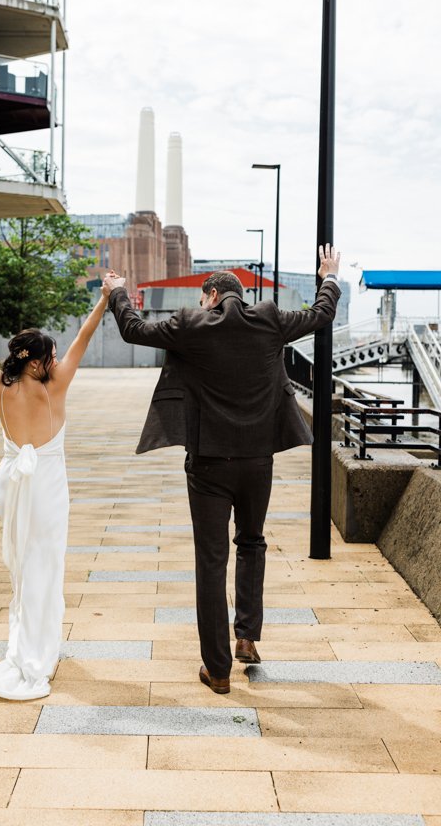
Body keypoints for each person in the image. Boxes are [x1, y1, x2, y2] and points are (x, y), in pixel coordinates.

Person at [103, 244, 341, 694]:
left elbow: (134, 330)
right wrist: (328, 276)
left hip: (209, 464)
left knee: (211, 562)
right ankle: (246, 637)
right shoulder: (269, 319)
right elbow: (319, 314)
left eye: (201, 298)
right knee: (252, 541)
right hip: (257, 460)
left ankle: (217, 671)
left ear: (211, 295)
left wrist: (117, 291)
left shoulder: (192, 325)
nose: (200, 305)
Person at [0, 285, 110, 699]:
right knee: (46, 564)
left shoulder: (0, 387)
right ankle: (39, 648)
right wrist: (104, 298)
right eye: (49, 355)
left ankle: (29, 644)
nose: (55, 360)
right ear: (34, 362)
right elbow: (84, 335)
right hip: (47, 488)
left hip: (14, 486)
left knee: (25, 565)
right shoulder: (57, 385)